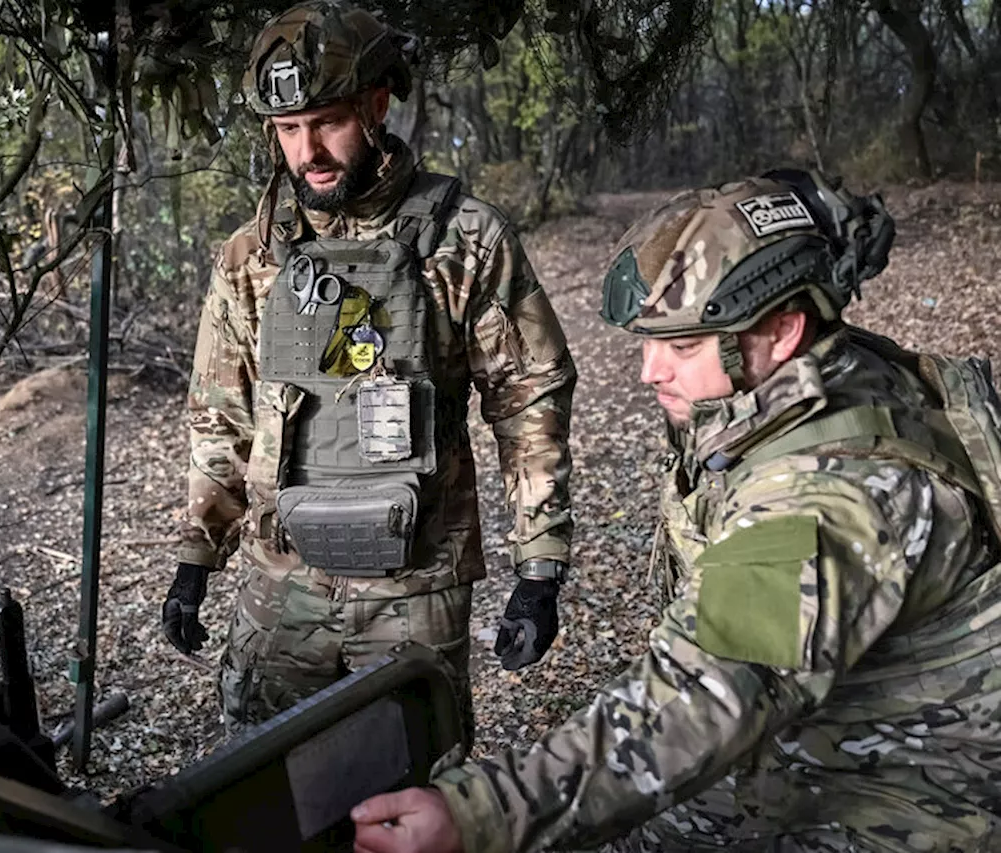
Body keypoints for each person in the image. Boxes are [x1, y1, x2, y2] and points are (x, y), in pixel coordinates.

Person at [350, 170, 1001, 852]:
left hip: (903, 802)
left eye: (682, 346)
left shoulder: (836, 492)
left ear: (782, 330)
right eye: (650, 341)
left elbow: (704, 692)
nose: (649, 371)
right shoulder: (815, 379)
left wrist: (481, 813)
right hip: (825, 741)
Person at [160, 0, 577, 742]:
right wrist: (198, 553)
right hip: (280, 579)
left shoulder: (464, 236)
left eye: (327, 122)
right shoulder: (250, 255)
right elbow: (219, 415)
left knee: (416, 783)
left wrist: (539, 566)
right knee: (266, 782)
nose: (307, 149)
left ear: (377, 105)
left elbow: (528, 395)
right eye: (289, 130)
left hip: (416, 583)